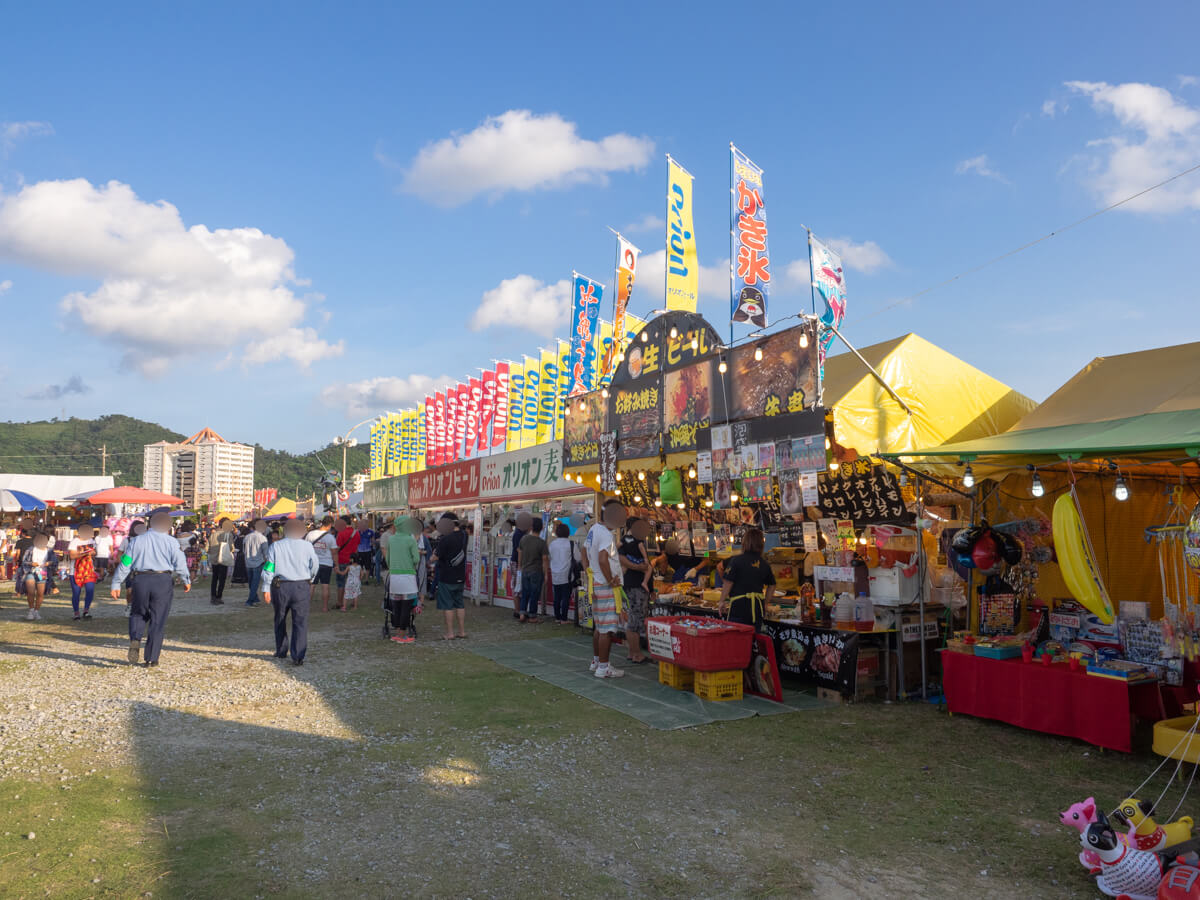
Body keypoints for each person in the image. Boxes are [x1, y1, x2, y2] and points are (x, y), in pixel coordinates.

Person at [111, 511, 191, 667]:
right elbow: (180, 562)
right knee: (158, 619)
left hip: (140, 579)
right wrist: (185, 579)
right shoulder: (172, 542)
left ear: (151, 524)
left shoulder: (136, 541)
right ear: (168, 526)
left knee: (137, 612)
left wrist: (116, 583)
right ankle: (151, 658)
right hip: (162, 580)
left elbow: (126, 562)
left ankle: (135, 638)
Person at [261, 517, 320, 665]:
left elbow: (269, 567)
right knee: (300, 621)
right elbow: (315, 565)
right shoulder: (308, 546)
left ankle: (281, 650)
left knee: (280, 618)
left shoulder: (276, 546)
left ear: (285, 530)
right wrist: (311, 579)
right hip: (301, 585)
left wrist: (266, 587)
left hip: (281, 586)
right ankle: (298, 655)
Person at [585, 499, 628, 679]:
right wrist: (610, 580)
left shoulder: (594, 529)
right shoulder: (606, 535)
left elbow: (583, 552)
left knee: (599, 627)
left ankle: (597, 661)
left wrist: (590, 574)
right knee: (607, 630)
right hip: (605, 585)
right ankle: (603, 667)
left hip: (596, 583)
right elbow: (603, 559)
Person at [718, 527, 775, 630]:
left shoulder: (736, 560)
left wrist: (722, 601)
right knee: (752, 640)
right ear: (761, 544)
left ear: (745, 543)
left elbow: (728, 582)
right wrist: (766, 603)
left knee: (737, 640)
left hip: (739, 607)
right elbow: (772, 585)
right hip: (757, 608)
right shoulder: (764, 564)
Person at [618, 517, 654, 663]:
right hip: (635, 585)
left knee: (632, 619)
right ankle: (637, 654)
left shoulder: (627, 540)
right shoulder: (632, 540)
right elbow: (620, 558)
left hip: (632, 584)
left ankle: (632, 652)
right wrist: (639, 567)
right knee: (635, 620)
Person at [383, 517, 422, 643]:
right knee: (406, 607)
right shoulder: (410, 540)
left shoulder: (391, 539)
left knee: (396, 606)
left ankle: (397, 632)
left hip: (394, 577)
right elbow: (416, 559)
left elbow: (387, 559)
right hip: (408, 577)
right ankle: (402, 635)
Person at [432, 512, 468, 639]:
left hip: (446, 576)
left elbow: (435, 557)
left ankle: (450, 633)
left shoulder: (445, 539)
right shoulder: (464, 535)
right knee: (459, 604)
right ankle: (462, 631)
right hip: (460, 575)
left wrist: (430, 558)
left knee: (447, 605)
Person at [517, 517, 549, 624]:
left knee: (525, 592)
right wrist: (546, 574)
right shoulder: (542, 543)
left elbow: (520, 553)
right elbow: (544, 559)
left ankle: (522, 613)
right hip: (536, 571)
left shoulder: (524, 539)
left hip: (525, 570)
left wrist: (519, 566)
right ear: (542, 528)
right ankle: (532, 616)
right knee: (534, 594)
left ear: (531, 527)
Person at [67, 523, 99, 620]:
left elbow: (95, 552)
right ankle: (76, 612)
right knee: (76, 592)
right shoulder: (74, 542)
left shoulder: (92, 541)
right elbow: (72, 556)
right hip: (76, 571)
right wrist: (85, 554)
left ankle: (86, 610)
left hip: (89, 570)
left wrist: (93, 553)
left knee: (90, 590)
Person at [548, 521, 579, 625]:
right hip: (567, 574)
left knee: (557, 597)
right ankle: (564, 619)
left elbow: (550, 557)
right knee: (565, 597)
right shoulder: (571, 544)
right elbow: (578, 558)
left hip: (555, 574)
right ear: (568, 532)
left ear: (557, 533)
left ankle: (557, 617)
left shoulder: (552, 544)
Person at [306, 516, 338, 611]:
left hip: (313, 563)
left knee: (311, 585)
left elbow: (305, 548)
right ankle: (325, 607)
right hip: (326, 563)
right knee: (325, 585)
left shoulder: (310, 534)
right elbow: (334, 552)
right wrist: (336, 564)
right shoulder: (330, 537)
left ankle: (306, 607)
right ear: (330, 525)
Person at [21, 532, 52, 620]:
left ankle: (36, 611)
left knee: (40, 593)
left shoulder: (49, 550)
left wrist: (49, 563)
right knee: (31, 592)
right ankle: (30, 610)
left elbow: (54, 561)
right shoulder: (30, 549)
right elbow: (24, 561)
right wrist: (31, 563)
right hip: (30, 571)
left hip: (42, 573)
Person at [333, 515, 359, 611]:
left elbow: (337, 548)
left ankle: (340, 602)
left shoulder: (341, 533)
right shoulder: (356, 533)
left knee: (341, 583)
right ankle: (353, 602)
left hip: (342, 560)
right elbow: (356, 547)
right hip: (352, 561)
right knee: (353, 582)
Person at [207, 518, 236, 604]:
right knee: (222, 579)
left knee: (214, 578)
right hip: (223, 559)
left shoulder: (213, 534)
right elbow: (231, 548)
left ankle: (213, 596)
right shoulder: (228, 535)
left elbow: (207, 548)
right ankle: (219, 596)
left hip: (214, 559)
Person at [242, 518, 269, 608]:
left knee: (251, 582)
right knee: (255, 583)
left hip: (248, 562)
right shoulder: (262, 538)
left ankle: (255, 598)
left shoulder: (247, 537)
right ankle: (249, 601)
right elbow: (266, 553)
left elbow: (243, 550)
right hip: (258, 562)